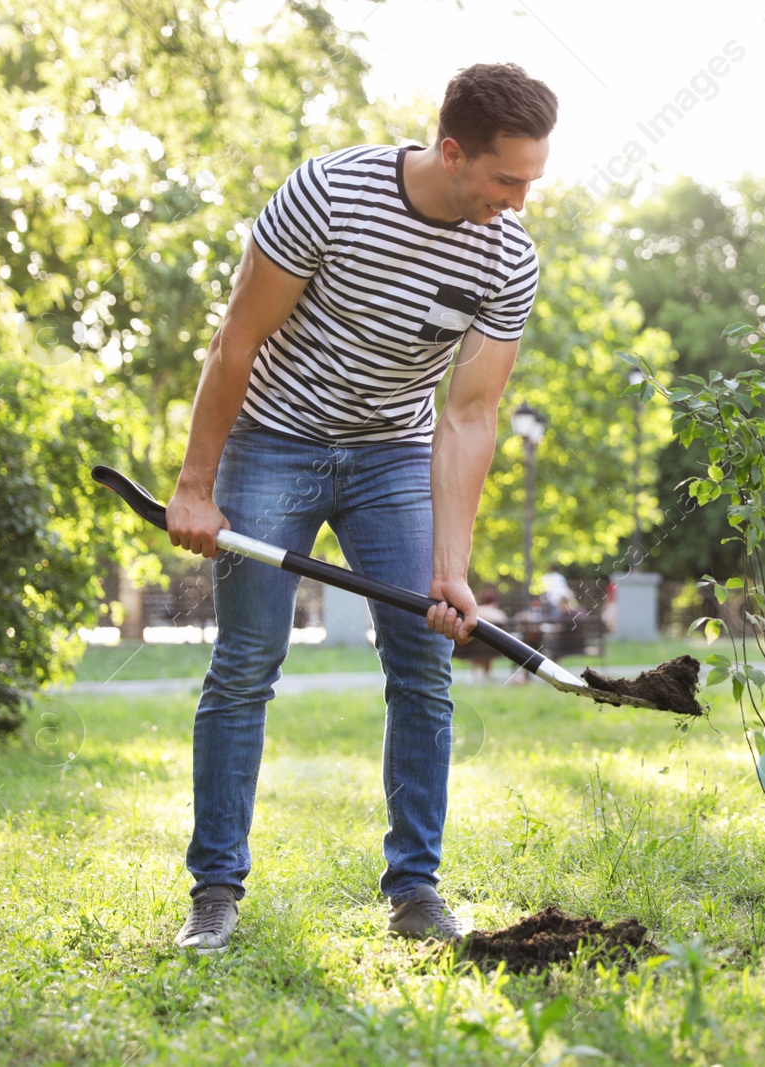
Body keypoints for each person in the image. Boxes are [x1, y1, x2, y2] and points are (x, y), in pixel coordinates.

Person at [164, 63, 558, 951]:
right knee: (246, 665)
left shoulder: (508, 254)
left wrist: (450, 569)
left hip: (392, 454)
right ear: (451, 151)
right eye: (506, 178)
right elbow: (238, 340)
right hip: (274, 437)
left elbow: (469, 413)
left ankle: (416, 888)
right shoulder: (330, 195)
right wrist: (196, 482)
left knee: (424, 660)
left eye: (532, 179)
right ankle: (215, 888)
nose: (520, 200)